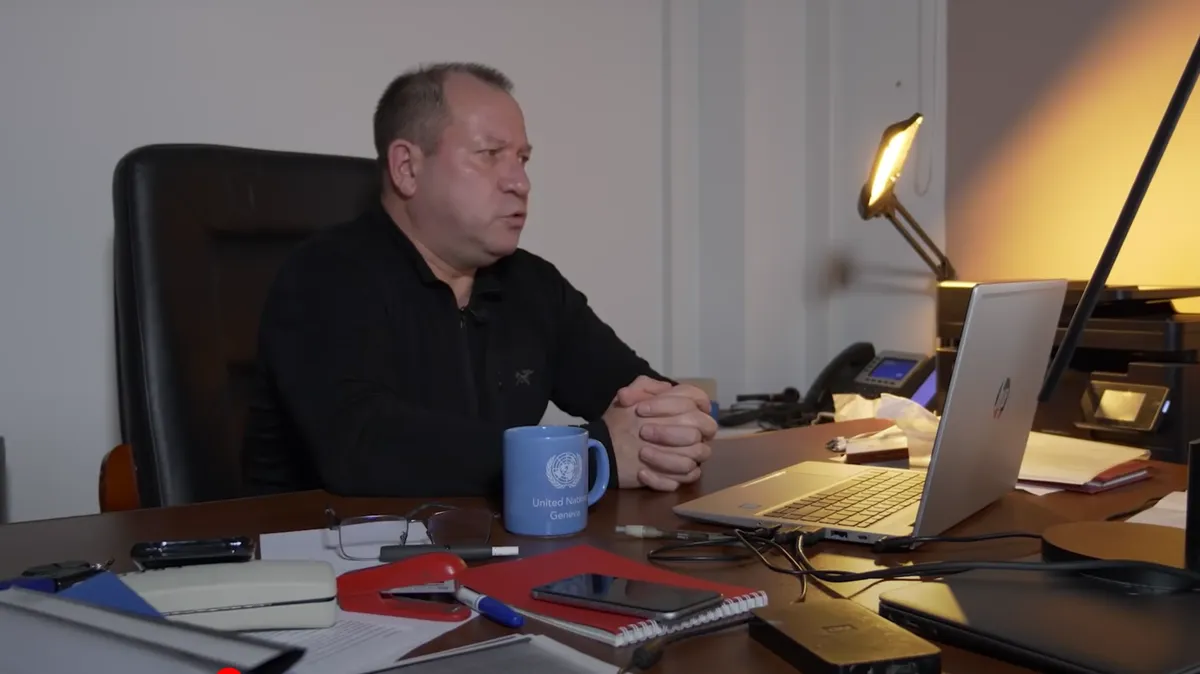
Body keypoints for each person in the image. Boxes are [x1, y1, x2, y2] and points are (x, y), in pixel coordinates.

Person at [240, 62, 717, 499]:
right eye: (490, 155)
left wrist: (677, 421)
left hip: (491, 546)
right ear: (407, 168)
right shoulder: (325, 275)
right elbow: (363, 447)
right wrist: (591, 454)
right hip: (328, 552)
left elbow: (636, 391)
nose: (520, 183)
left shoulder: (531, 284)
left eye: (522, 159)